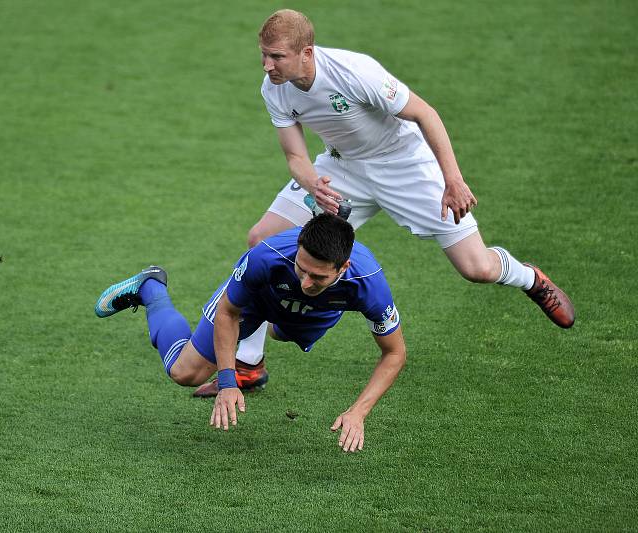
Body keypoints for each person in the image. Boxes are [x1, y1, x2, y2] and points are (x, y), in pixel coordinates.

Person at [191, 9, 575, 397]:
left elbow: (426, 113)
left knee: (476, 268)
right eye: (264, 54)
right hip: (342, 168)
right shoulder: (273, 87)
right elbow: (295, 156)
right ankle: (249, 363)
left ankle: (530, 278)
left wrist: (453, 180)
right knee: (261, 239)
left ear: (306, 52)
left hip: (405, 165)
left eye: (276, 56)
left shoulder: (355, 71)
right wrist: (314, 184)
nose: (266, 64)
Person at [94, 214, 406, 453]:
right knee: (184, 372)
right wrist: (228, 381)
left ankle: (259, 354)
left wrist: (359, 411)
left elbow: (394, 352)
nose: (306, 282)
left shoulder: (368, 284)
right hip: (254, 302)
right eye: (301, 268)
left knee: (281, 334)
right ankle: (152, 287)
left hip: (312, 314)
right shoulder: (267, 256)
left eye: (318, 276)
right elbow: (229, 312)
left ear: (343, 267)